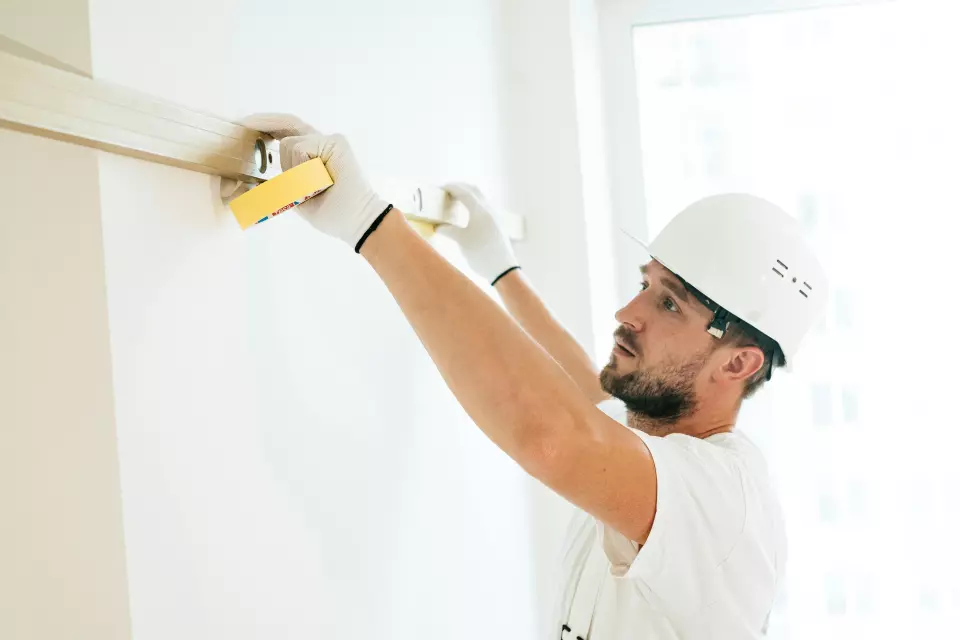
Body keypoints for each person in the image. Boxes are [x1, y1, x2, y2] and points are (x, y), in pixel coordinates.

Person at [239, 114, 828, 639]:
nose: (627, 313)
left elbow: (556, 434)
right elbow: (582, 390)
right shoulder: (651, 438)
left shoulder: (726, 500)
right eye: (644, 285)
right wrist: (502, 268)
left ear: (738, 363)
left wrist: (370, 223)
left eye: (669, 304)